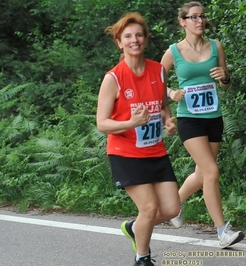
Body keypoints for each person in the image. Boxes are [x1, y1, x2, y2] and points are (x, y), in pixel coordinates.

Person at [97, 12, 180, 266]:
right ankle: (142, 257)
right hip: (125, 153)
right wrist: (130, 123)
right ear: (119, 42)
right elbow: (102, 123)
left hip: (155, 151)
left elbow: (162, 105)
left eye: (139, 35)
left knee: (172, 209)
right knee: (149, 208)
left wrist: (167, 120)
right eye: (128, 36)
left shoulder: (158, 70)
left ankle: (134, 228)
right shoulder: (114, 78)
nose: (135, 40)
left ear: (145, 39)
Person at [160, 1, 244, 248]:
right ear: (182, 21)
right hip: (189, 119)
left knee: (201, 173)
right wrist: (171, 92)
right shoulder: (173, 51)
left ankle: (172, 206)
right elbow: (154, 83)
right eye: (193, 17)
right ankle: (222, 232)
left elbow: (225, 84)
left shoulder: (216, 46)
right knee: (212, 172)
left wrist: (225, 78)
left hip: (213, 118)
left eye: (202, 17)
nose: (199, 21)